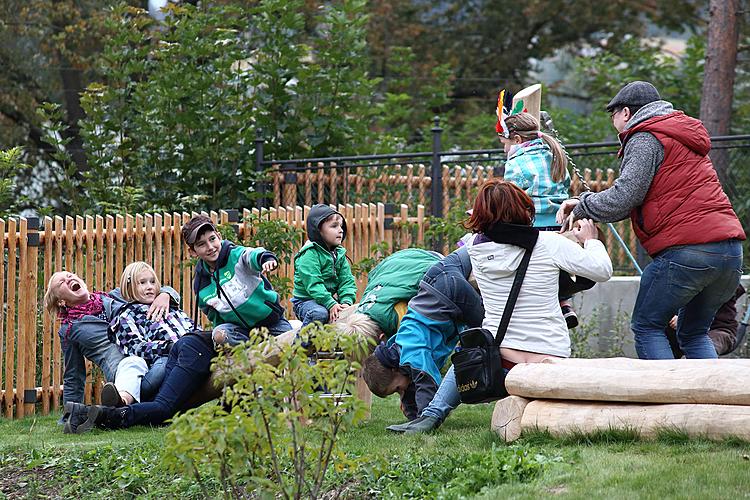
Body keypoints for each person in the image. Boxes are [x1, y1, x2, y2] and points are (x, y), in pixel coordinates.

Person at [388, 180, 613, 433]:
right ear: (524, 209)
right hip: (549, 358)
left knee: (468, 350)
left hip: (498, 361)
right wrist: (591, 239)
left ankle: (431, 415)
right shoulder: (549, 243)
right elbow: (602, 270)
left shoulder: (475, 248)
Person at [556, 80, 745, 360]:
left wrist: (583, 207)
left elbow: (625, 197)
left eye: (613, 114)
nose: (613, 121)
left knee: (648, 326)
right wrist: (587, 201)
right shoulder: (682, 136)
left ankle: (666, 401)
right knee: (693, 334)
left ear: (627, 113)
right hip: (730, 254)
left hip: (687, 252)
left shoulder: (645, 137)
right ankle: (705, 401)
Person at [362, 246, 484, 422]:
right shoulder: (399, 350)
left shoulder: (410, 352)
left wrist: (424, 419)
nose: (400, 392)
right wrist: (412, 414)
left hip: (448, 289)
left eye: (397, 389)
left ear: (394, 368)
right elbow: (412, 382)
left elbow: (426, 380)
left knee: (490, 328)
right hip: (442, 281)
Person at [43, 271, 178, 408]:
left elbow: (150, 289)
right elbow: (74, 375)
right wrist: (70, 413)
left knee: (172, 357)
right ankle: (120, 400)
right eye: (61, 282)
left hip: (152, 351)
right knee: (156, 365)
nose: (69, 278)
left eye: (71, 275)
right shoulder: (69, 330)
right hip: (126, 372)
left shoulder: (116, 296)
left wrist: (165, 294)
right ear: (61, 301)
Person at [499, 111, 583, 328]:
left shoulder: (516, 163)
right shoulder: (555, 156)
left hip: (533, 226)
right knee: (556, 273)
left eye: (505, 144)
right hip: (559, 225)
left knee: (533, 273)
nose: (504, 149)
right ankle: (564, 306)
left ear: (516, 140)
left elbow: (513, 199)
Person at [183, 215, 292, 346]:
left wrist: (266, 259)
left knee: (293, 346)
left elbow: (252, 255)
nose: (210, 247)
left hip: (271, 322)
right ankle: (247, 351)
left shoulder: (235, 255)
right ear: (193, 251)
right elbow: (213, 314)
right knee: (219, 334)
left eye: (212, 239)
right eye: (201, 244)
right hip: (240, 331)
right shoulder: (202, 284)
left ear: (219, 236)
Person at [104, 262, 196, 407]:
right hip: (160, 364)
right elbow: (136, 347)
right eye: (142, 282)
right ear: (129, 287)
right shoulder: (126, 316)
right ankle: (123, 401)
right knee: (163, 364)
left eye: (153, 282)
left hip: (189, 355)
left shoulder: (171, 309)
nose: (149, 287)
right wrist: (170, 347)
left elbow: (192, 328)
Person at [335, 248, 443, 342]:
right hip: (393, 262)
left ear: (382, 338)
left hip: (432, 263)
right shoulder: (358, 317)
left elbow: (415, 341)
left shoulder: (397, 316)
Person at [292, 205, 357, 326]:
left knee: (353, 312)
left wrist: (346, 302)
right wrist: (330, 303)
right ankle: (301, 344)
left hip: (326, 299)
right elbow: (314, 284)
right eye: (334, 226)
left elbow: (347, 280)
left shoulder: (339, 254)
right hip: (306, 301)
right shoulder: (309, 254)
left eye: (341, 226)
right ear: (318, 231)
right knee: (320, 314)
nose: (340, 230)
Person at [666, 285, 746, 357]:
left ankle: (705, 366)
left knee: (704, 346)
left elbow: (705, 307)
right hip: (684, 330)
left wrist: (684, 319)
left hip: (719, 330)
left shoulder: (725, 281)